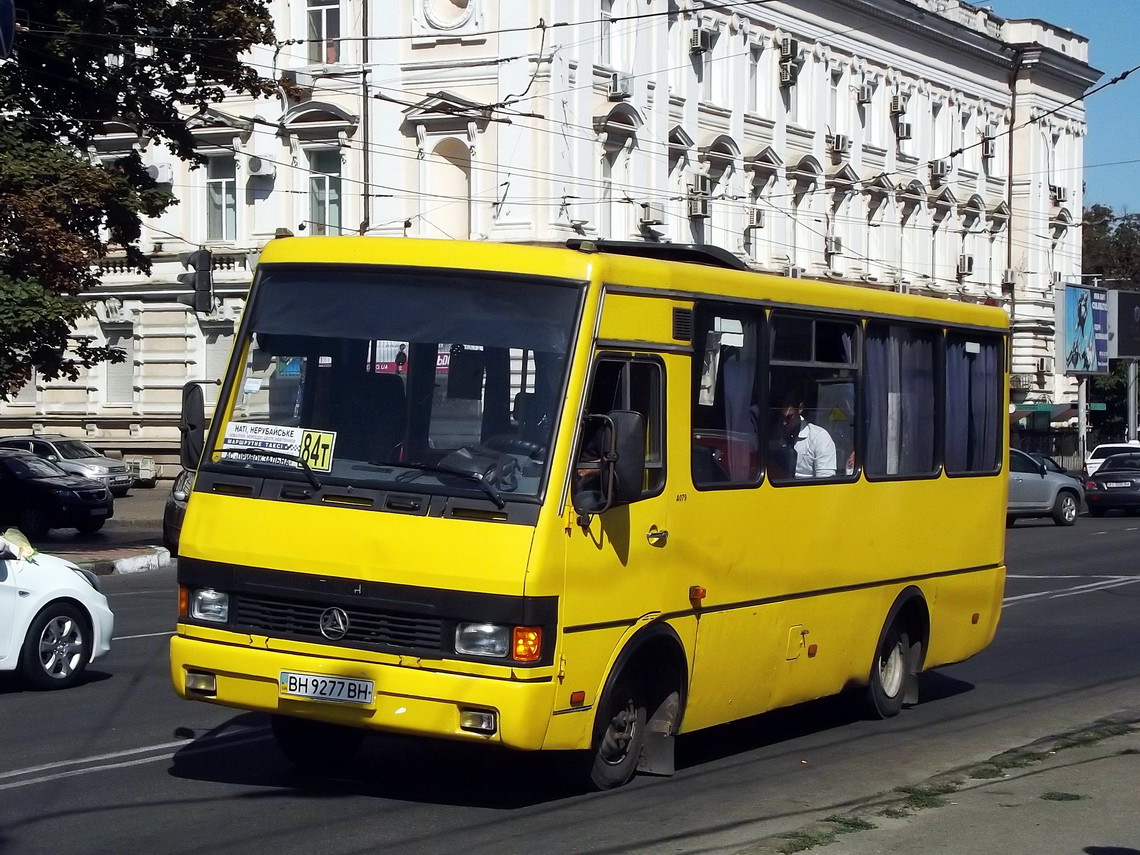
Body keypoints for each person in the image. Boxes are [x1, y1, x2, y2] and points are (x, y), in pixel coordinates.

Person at [775, 394, 837, 478]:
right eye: (782, 417)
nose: (784, 423)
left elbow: (826, 479)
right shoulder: (775, 435)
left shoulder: (819, 437)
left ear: (800, 409)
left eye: (789, 417)